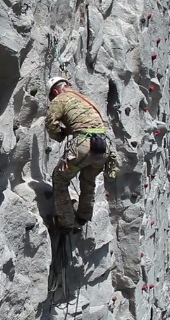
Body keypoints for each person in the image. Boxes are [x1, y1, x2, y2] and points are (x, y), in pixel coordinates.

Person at [45, 77, 116, 233]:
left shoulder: (60, 99)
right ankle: (83, 216)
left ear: (56, 91)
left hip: (85, 145)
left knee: (60, 178)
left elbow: (51, 123)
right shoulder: (86, 100)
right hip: (104, 147)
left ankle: (66, 222)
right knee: (88, 181)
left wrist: (60, 135)